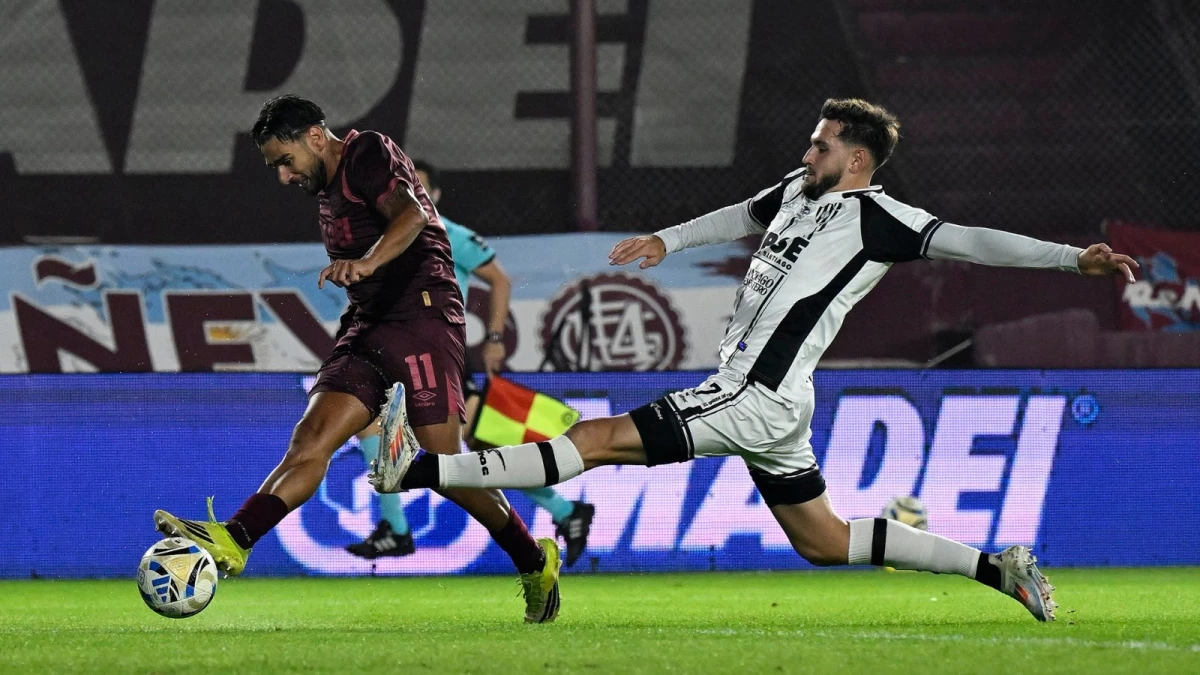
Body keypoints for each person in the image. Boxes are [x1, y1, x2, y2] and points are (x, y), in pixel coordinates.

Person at [372, 98, 1141, 622]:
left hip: (750, 393)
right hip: (778, 402)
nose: (807, 151)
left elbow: (972, 240)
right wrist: (666, 240)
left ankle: (421, 469)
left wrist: (1076, 260)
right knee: (824, 541)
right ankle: (997, 567)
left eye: (822, 144)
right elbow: (741, 213)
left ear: (858, 160)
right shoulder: (797, 195)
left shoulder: (878, 216)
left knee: (598, 441)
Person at [153, 95, 562, 624]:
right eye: (274, 166)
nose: (282, 175)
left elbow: (412, 215)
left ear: (316, 137)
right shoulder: (327, 195)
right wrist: (361, 274)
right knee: (309, 441)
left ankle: (534, 560)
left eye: (285, 160)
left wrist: (365, 263)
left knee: (448, 470)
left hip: (423, 319)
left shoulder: (366, 151)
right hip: (368, 326)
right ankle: (236, 537)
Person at [346, 160, 596, 566]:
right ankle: (566, 513)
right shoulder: (384, 237)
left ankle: (563, 513)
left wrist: (495, 338)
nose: (411, 194)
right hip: (401, 350)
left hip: (439, 353)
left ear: (436, 194)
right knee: (442, 442)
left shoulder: (448, 234)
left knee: (462, 452)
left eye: (420, 187)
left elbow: (500, 279)